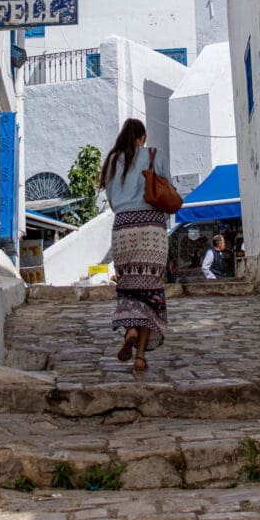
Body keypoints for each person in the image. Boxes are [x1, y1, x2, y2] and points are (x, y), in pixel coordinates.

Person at [100, 118, 169, 372]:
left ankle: (129, 329)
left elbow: (111, 199)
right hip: (152, 226)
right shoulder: (154, 155)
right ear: (143, 137)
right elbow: (167, 189)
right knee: (150, 290)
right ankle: (140, 356)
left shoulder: (111, 161)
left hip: (123, 227)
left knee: (128, 288)